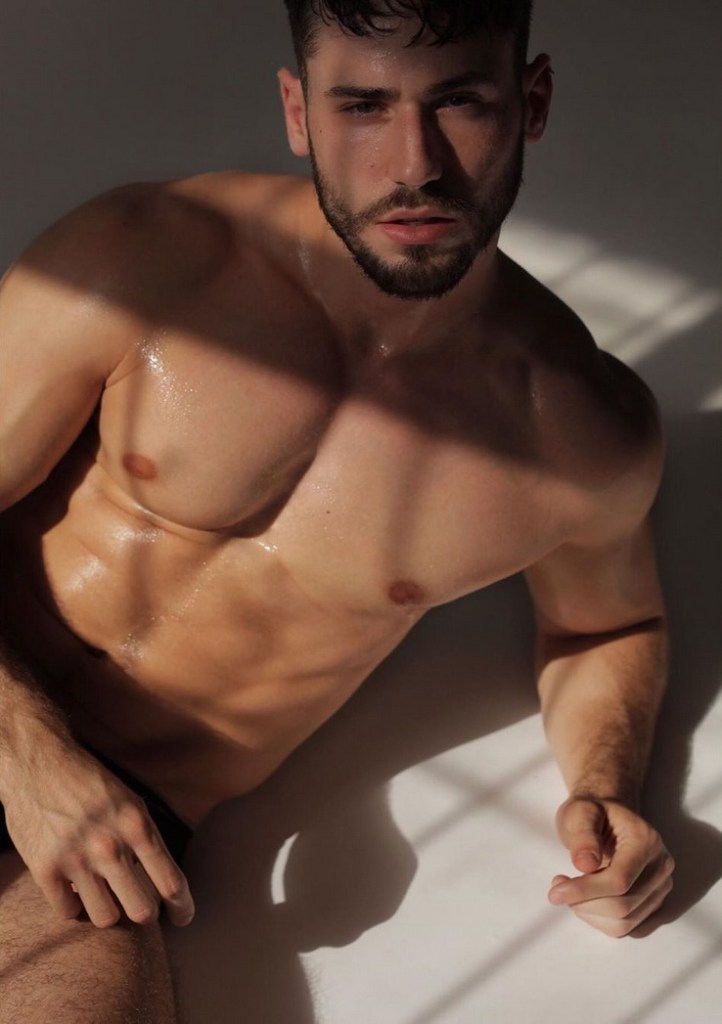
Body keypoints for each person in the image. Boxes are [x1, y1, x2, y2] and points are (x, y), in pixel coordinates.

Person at [0, 0, 675, 1019]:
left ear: (530, 101)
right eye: (363, 105)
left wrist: (606, 785)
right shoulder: (143, 261)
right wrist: (26, 753)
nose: (413, 165)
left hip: (116, 843)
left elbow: (607, 624)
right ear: (297, 110)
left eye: (459, 102)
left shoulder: (576, 432)